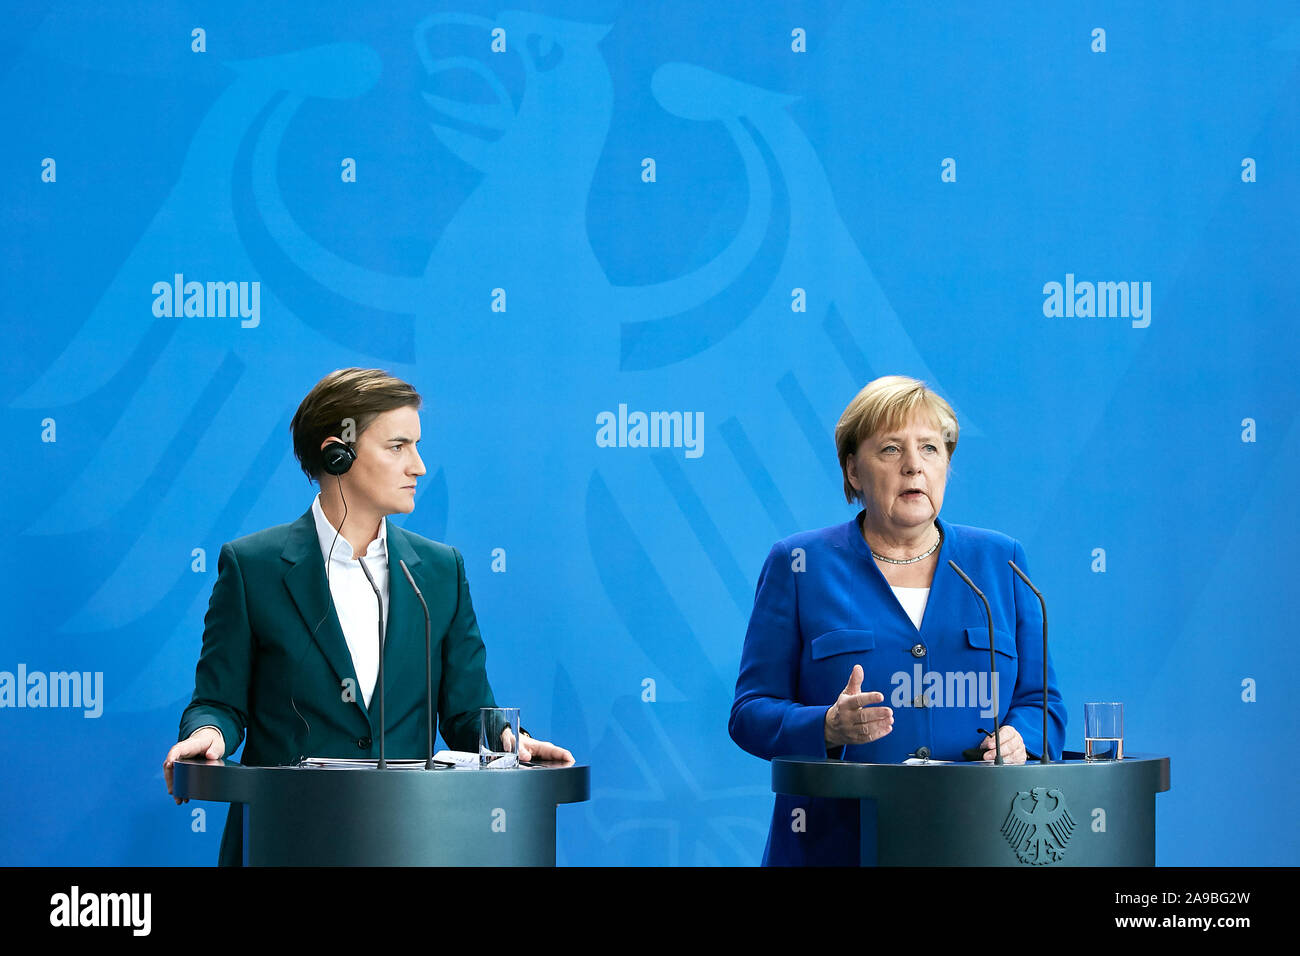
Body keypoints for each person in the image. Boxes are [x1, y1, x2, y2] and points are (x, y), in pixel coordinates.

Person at [163, 368, 572, 866]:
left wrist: (511, 743)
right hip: (287, 840)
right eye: (398, 446)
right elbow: (219, 701)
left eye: (416, 446)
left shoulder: (439, 572)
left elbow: (466, 715)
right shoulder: (253, 567)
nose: (418, 466)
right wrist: (208, 734)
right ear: (339, 453)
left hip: (410, 842)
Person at [729, 375, 1066, 866]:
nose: (914, 465)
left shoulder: (1001, 561)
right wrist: (826, 725)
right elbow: (749, 714)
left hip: (980, 842)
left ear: (946, 464)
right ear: (853, 471)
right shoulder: (799, 564)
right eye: (890, 449)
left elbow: (1041, 704)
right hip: (835, 847)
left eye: (930, 448)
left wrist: (1021, 739)